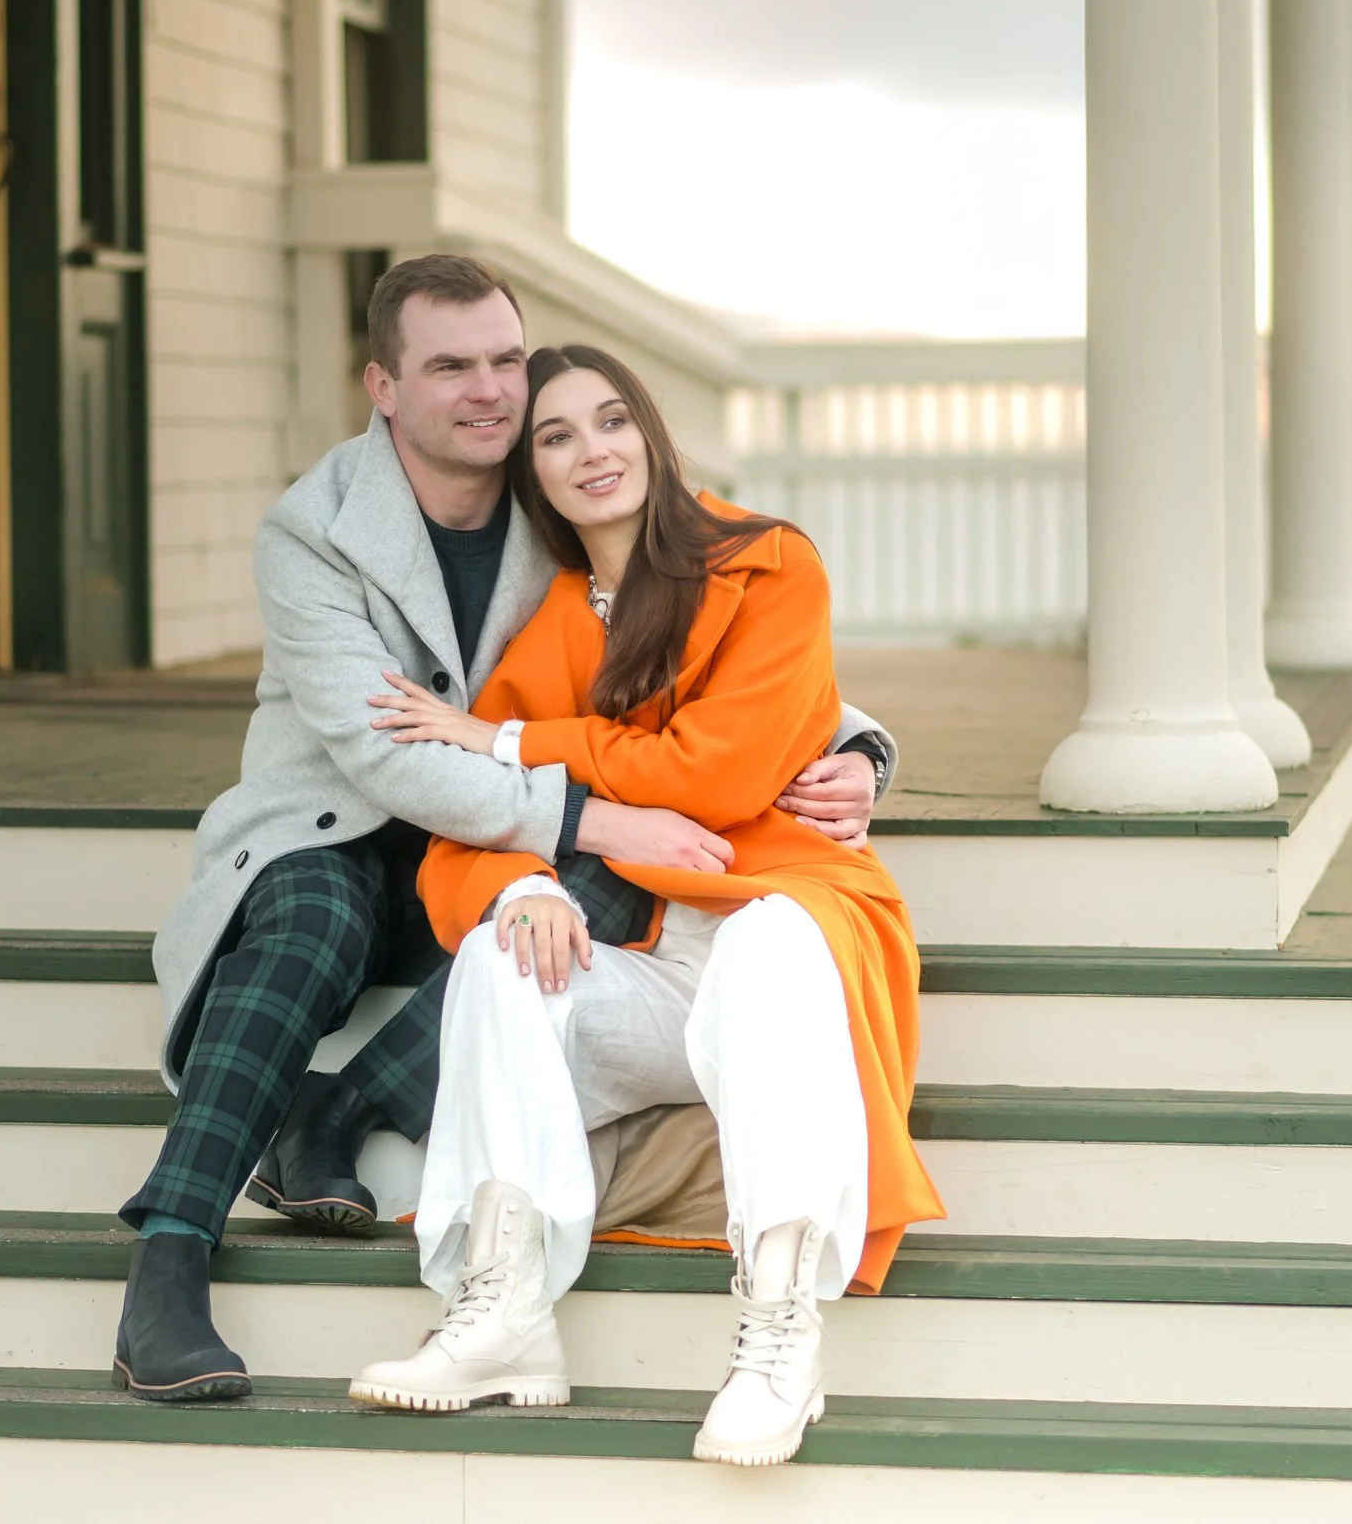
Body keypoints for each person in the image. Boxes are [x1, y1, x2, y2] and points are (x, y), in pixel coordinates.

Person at [110, 257, 896, 1403]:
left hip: (500, 837)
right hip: (339, 829)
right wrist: (596, 808)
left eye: (503, 360)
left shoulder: (560, 492)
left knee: (620, 882)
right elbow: (391, 753)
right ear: (382, 385)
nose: (487, 390)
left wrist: (861, 749)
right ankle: (169, 1261)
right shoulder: (314, 532)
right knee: (310, 928)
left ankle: (353, 1102)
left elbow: (702, 628)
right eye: (447, 367)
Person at [345, 344, 944, 1467]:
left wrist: (518, 740)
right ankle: (504, 1311)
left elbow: (717, 775)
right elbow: (460, 822)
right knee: (496, 961)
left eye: (610, 420)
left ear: (651, 432)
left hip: (796, 919)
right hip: (663, 964)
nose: (591, 452)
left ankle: (778, 1339)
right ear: (533, 476)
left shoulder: (767, 563)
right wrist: (520, 878)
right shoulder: (560, 619)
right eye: (555, 437)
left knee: (764, 939)